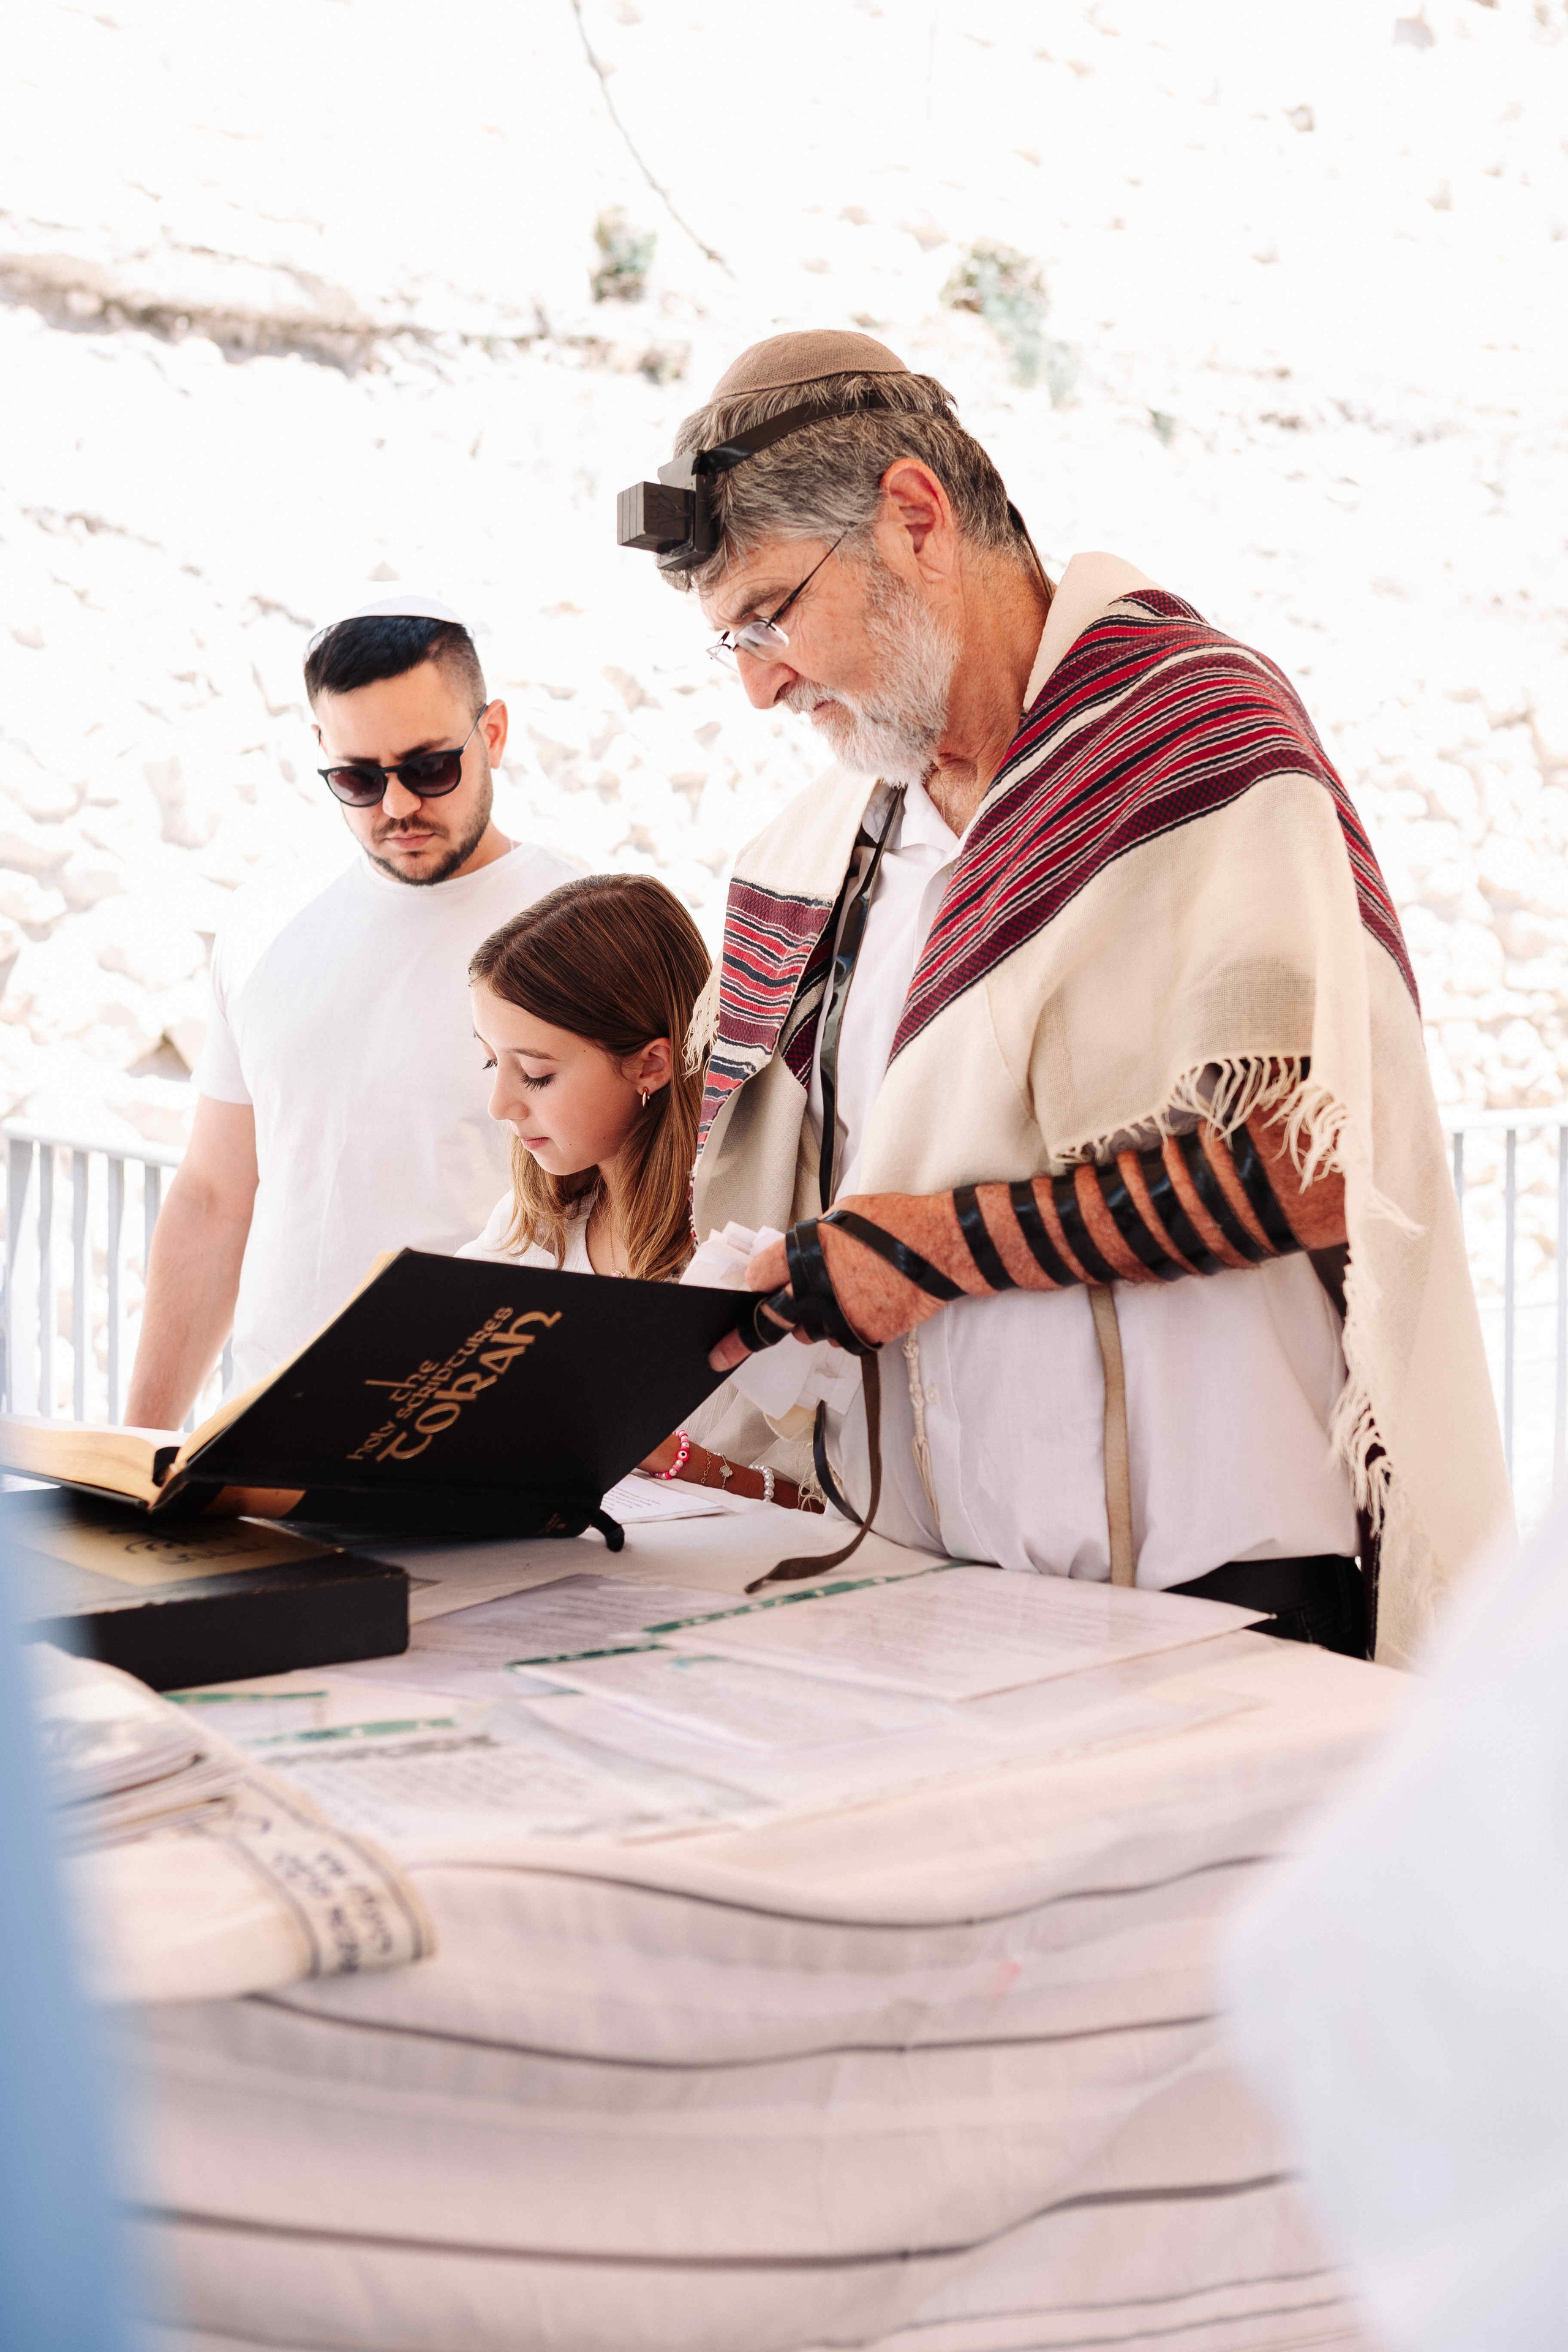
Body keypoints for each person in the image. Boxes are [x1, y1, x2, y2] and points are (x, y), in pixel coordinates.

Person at [616, 328, 1509, 1659]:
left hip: (1221, 1585)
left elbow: (1316, 1163)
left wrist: (929, 1246)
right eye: (727, 641)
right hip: (938, 1587)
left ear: (913, 517)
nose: (755, 683)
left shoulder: (1192, 748)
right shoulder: (824, 857)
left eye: (769, 614)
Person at [126, 594, 579, 1423]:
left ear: (496, 735)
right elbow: (215, 1197)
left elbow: (648, 1214)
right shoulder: (266, 922)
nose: (397, 805)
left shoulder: (584, 924)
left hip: (487, 1447)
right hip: (265, 1437)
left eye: (430, 766)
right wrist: (141, 1450)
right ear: (322, 757)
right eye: (358, 779)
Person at [463, 870, 821, 1511]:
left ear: (651, 1065)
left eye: (536, 1074)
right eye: (493, 1061)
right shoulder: (528, 1233)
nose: (499, 1105)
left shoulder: (757, 1249)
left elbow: (839, 1503)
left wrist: (685, 1462)